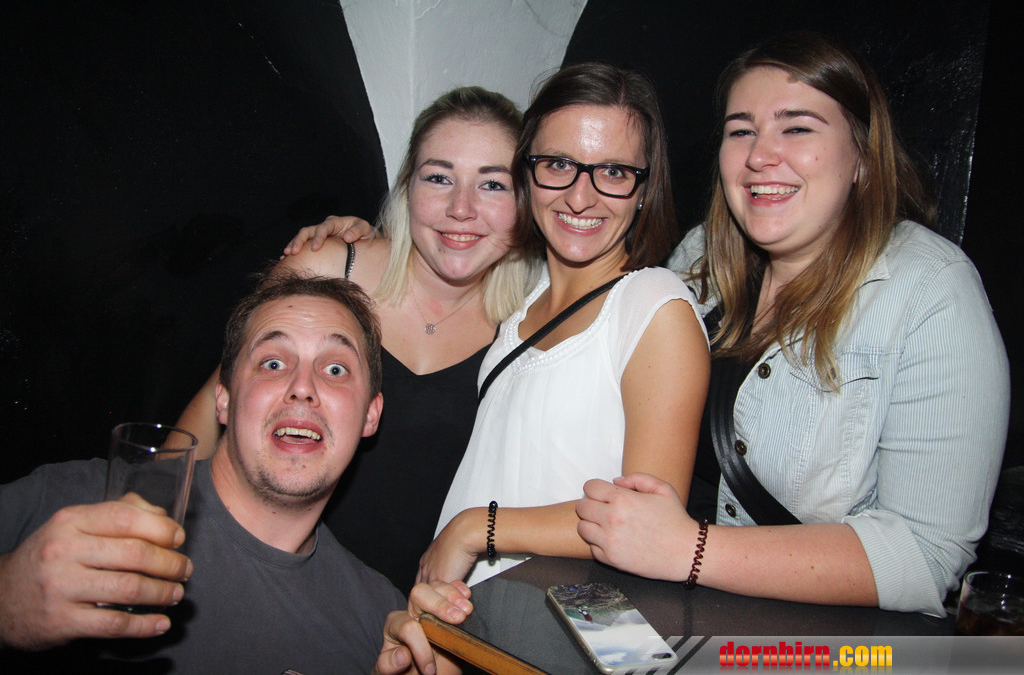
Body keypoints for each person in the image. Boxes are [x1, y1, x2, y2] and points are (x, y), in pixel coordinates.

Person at [575, 32, 1010, 616]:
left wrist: (691, 550)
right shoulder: (699, 258)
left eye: (798, 128)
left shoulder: (931, 290)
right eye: (741, 131)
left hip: (802, 640)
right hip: (664, 607)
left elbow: (926, 555)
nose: (760, 156)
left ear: (862, 156)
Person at [0, 274, 470, 673]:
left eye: (334, 369)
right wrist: (7, 601)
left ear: (371, 415)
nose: (302, 387)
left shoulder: (380, 623)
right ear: (223, 398)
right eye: (273, 363)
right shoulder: (79, 504)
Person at [177, 86, 538, 594]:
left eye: (493, 185)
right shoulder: (325, 270)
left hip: (409, 614)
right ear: (406, 188)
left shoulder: (531, 328)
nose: (461, 208)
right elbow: (207, 421)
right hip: (258, 579)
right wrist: (147, 532)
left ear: (524, 204)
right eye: (438, 177)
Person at [422, 62, 710, 585]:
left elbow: (647, 526)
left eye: (614, 172)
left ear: (645, 188)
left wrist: (474, 528)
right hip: (463, 612)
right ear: (526, 173)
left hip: (549, 623)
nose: (580, 197)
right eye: (558, 164)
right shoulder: (523, 295)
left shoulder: (654, 307)